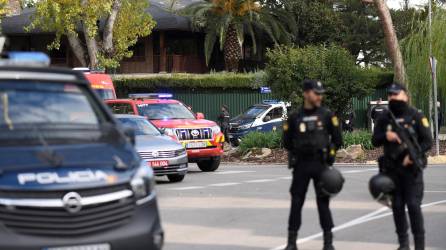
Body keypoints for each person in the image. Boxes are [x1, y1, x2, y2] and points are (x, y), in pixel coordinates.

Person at [282, 80, 343, 250]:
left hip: (320, 164)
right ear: (306, 93)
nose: (319, 96)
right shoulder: (295, 117)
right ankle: (291, 242)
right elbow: (286, 142)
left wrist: (330, 155)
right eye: (316, 93)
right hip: (301, 165)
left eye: (320, 93)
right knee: (296, 202)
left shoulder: (327, 115)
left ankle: (328, 243)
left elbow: (337, 140)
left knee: (323, 203)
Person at [372, 82, 432, 250]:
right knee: (397, 207)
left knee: (413, 206)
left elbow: (427, 141)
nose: (393, 97)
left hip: (412, 171)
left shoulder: (416, 116)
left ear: (405, 95)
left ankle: (419, 245)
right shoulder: (385, 117)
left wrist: (413, 157)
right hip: (392, 170)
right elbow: (375, 140)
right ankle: (403, 244)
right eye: (390, 95)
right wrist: (386, 135)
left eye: (396, 94)